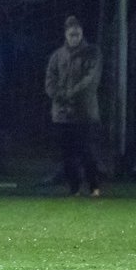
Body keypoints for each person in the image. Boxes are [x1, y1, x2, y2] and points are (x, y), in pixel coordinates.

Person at [45, 15, 103, 197]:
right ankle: (74, 188)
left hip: (84, 112)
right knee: (67, 154)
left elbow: (90, 80)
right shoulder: (57, 56)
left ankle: (94, 186)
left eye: (77, 34)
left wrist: (70, 94)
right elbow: (50, 80)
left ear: (82, 34)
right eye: (71, 34)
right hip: (62, 114)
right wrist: (58, 96)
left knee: (86, 151)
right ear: (66, 35)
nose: (74, 37)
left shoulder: (92, 53)